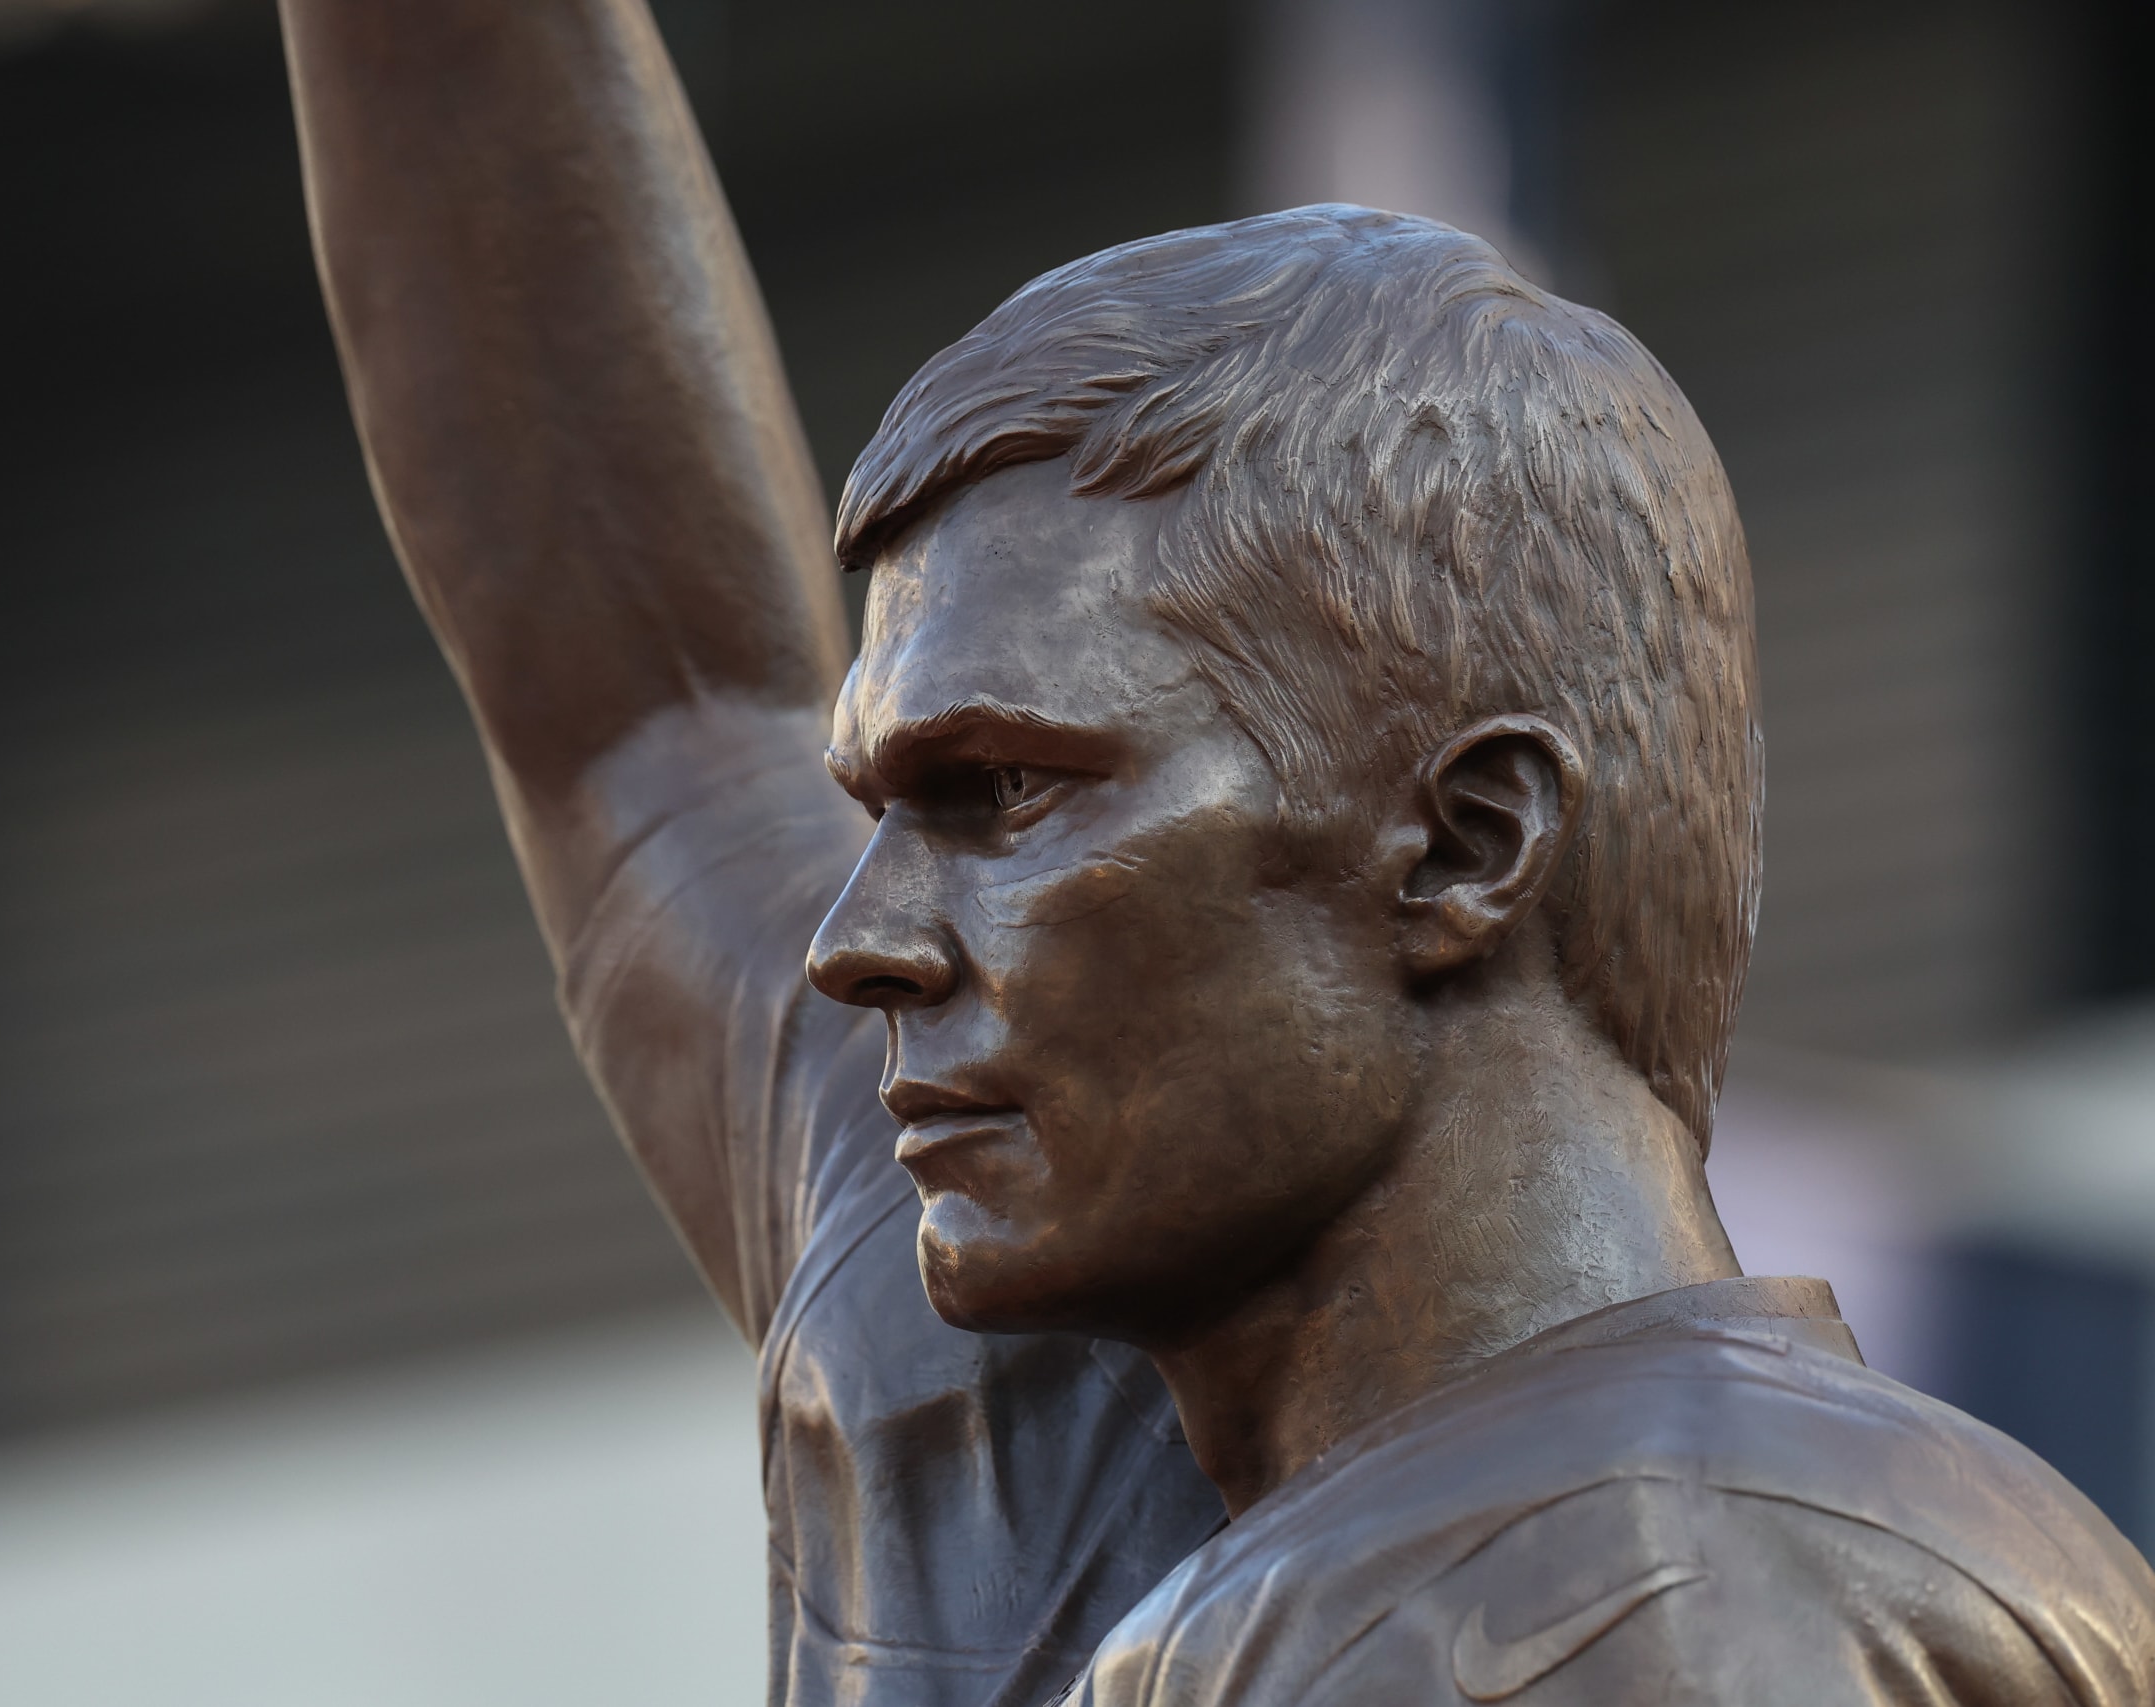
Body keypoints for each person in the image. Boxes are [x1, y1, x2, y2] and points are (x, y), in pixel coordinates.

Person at [277, 1, 2155, 1702]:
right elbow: (654, 728)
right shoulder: (1019, 1394)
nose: (862, 943)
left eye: (1006, 793)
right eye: (885, 813)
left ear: (1465, 841)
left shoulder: (1677, 1569)